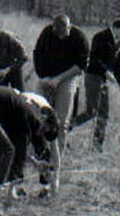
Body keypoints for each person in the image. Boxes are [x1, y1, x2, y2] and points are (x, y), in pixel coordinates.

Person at [32, 14, 89, 187]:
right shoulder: (47, 33)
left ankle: (55, 170)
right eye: (59, 34)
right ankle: (41, 161)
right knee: (37, 120)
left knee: (61, 124)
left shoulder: (79, 37)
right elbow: (37, 55)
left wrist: (59, 79)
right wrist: (45, 78)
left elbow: (81, 66)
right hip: (47, 78)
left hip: (67, 78)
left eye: (65, 33)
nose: (62, 36)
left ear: (69, 27)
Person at [73, 18, 120, 150]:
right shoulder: (100, 37)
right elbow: (94, 57)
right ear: (117, 28)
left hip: (103, 80)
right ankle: (66, 127)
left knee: (104, 113)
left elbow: (119, 67)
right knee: (91, 111)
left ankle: (97, 145)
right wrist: (105, 72)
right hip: (93, 77)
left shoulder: (119, 44)